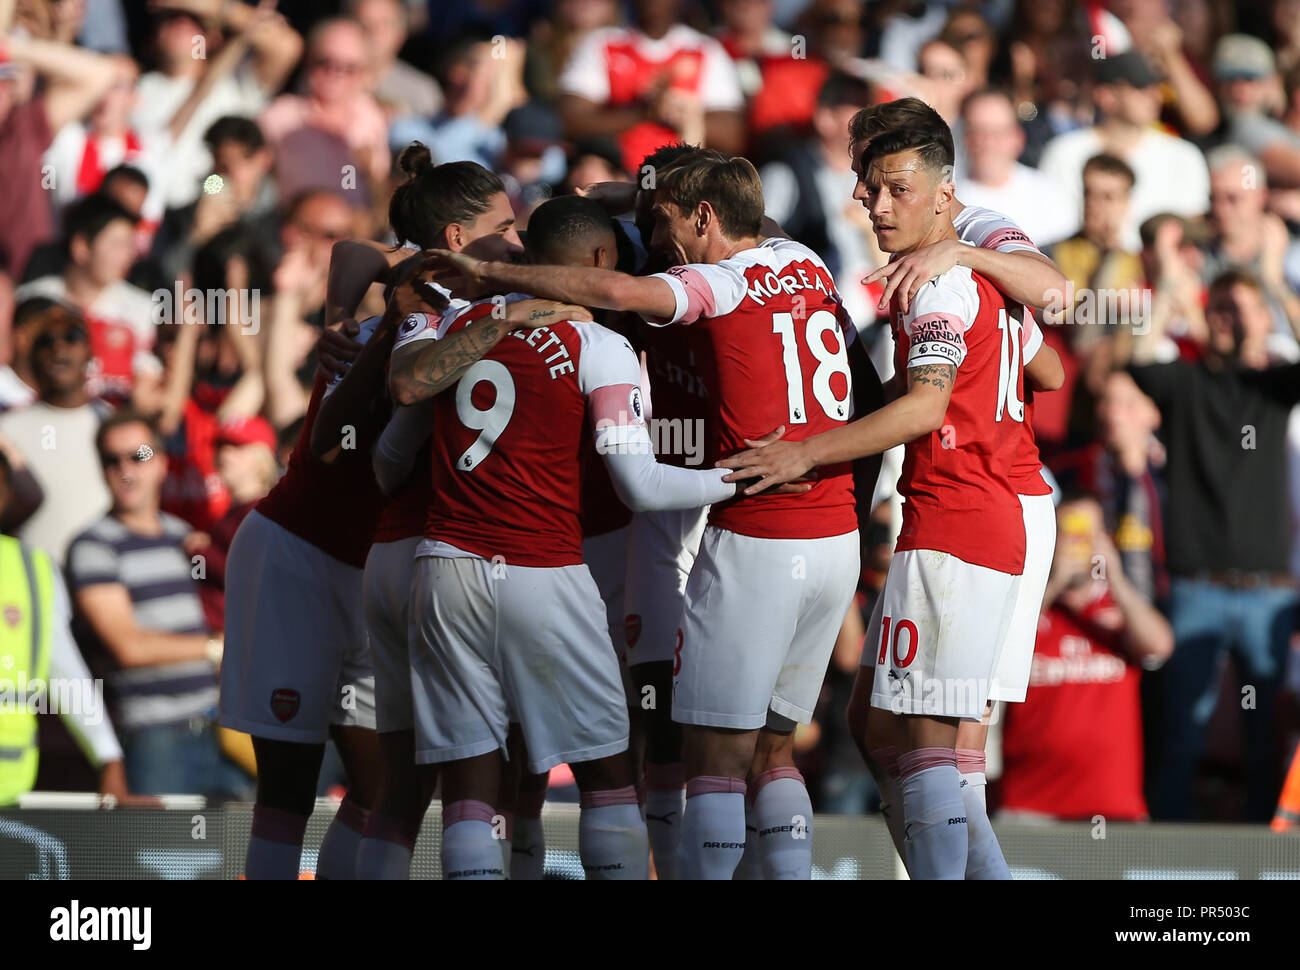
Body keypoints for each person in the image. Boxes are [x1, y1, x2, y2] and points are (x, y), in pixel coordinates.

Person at [426, 149, 882, 881]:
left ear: (700, 216)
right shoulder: (799, 256)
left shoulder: (695, 281)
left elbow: (612, 284)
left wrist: (491, 276)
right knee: (759, 743)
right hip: (818, 523)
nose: (653, 235)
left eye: (662, 217)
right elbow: (737, 213)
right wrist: (627, 192)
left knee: (701, 747)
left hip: (726, 505)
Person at [390, 201, 748, 883]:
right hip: (543, 570)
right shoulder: (600, 346)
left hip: (443, 568)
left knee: (471, 782)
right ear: (598, 266)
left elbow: (387, 454)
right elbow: (639, 484)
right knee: (608, 773)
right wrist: (733, 479)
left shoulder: (458, 322)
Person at [716, 125, 1034, 880]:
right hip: (983, 514)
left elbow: (925, 409)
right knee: (876, 725)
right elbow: (1043, 362)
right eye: (870, 187)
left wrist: (806, 450)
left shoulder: (943, 282)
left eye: (898, 188)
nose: (877, 204)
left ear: (945, 193)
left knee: (916, 742)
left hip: (957, 520)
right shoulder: (979, 277)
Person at [1131, 270, 1300, 821]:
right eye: (1220, 309)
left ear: (1262, 320)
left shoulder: (1272, 388)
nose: (1230, 319)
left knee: (1264, 744)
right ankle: (1167, 859)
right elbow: (1135, 362)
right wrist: (1172, 304)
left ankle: (1260, 860)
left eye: (1240, 310)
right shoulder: (1186, 383)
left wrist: (1273, 287)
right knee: (1183, 737)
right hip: (1196, 588)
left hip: (1268, 593)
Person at [66, 410, 244, 798]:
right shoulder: (93, 545)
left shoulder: (185, 537)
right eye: (112, 460)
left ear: (162, 463)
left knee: (235, 855)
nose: (125, 469)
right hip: (157, 739)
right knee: (159, 857)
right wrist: (218, 647)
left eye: (138, 456)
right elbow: (127, 646)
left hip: (223, 731)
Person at [999, 496, 1174, 821]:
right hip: (1029, 805)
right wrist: (1054, 584)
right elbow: (997, 649)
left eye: (1087, 533)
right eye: (1069, 532)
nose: (1078, 545)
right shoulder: (1031, 607)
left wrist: (1116, 577)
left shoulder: (1119, 611)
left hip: (1111, 808)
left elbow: (1159, 645)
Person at [0, 450, 131, 807]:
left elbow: (64, 673)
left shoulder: (33, 569)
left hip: (9, 782)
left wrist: (107, 755)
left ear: (8, 493)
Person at [131, 1, 301, 211]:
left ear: (213, 39)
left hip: (217, 202)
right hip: (152, 215)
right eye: (171, 17)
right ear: (154, 35)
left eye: (196, 21)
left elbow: (286, 47)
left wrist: (209, 6)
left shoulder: (234, 84)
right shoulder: (135, 88)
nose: (182, 22)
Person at [1038, 50, 1210, 250]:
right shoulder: (1063, 153)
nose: (1154, 96)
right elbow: (1052, 230)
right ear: (1105, 96)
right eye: (1140, 87)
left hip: (1156, 275)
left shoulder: (1184, 156)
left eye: (1156, 87)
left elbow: (1192, 238)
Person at [556, 0, 745, 173]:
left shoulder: (704, 50)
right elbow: (571, 121)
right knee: (590, 172)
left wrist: (684, 114)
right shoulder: (602, 44)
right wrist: (644, 112)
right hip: (617, 173)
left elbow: (733, 136)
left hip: (681, 178)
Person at [15, 194, 160, 407]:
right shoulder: (29, 302)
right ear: (81, 247)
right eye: (118, 244)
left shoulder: (143, 309)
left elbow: (146, 388)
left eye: (131, 245)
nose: (129, 255)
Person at [0, 300, 112, 562]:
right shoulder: (6, 432)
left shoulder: (114, 423)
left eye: (71, 337)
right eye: (45, 341)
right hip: (36, 588)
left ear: (89, 352)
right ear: (31, 355)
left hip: (107, 582)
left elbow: (150, 456)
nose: (58, 348)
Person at [0, 31, 118, 280]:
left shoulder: (21, 129)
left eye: (6, 80)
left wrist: (10, 48)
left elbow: (100, 74)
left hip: (31, 288)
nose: (3, 90)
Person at [958, 88, 1076, 249]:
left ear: (1018, 137)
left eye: (998, 132)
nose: (987, 142)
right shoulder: (946, 195)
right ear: (963, 136)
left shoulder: (1051, 195)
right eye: (977, 131)